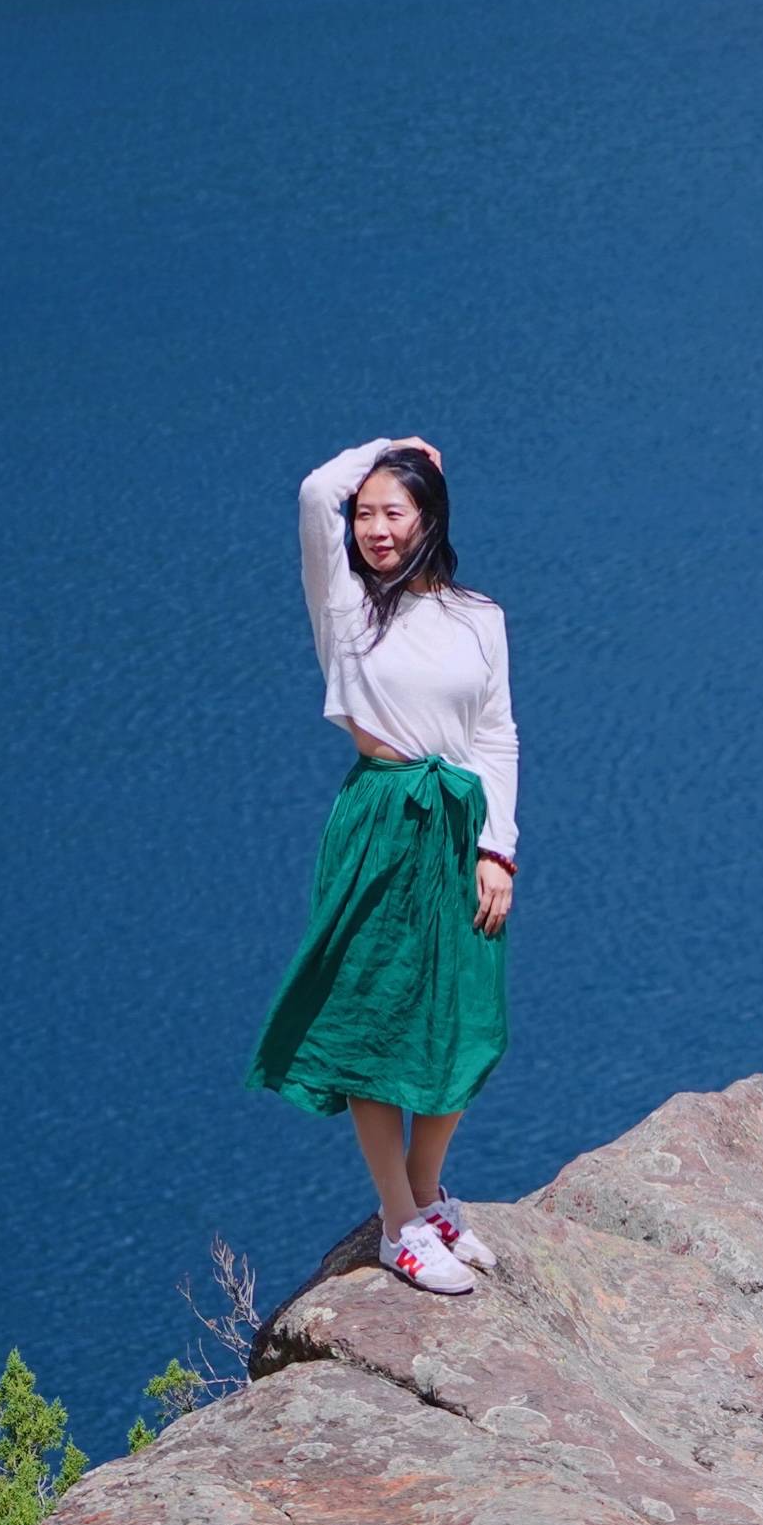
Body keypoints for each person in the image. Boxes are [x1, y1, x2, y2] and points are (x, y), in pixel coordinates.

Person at [245, 434, 520, 1296]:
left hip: (456, 824)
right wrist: (394, 447)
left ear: (429, 518)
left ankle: (429, 1188)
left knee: (467, 1016)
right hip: (380, 817)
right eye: (365, 515)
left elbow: (494, 735)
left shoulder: (480, 617)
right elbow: (311, 486)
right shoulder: (347, 606)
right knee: (376, 1022)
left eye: (392, 512)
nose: (373, 529)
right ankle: (398, 1219)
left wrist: (497, 846)